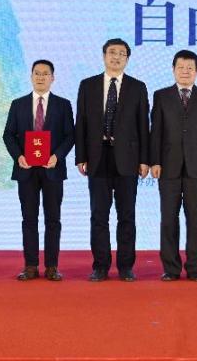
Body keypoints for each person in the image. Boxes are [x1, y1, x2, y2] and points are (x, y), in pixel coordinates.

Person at [75, 38, 149, 282]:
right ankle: (100, 266)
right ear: (104, 55)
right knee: (99, 215)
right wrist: (81, 156)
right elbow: (81, 122)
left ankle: (126, 266)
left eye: (121, 54)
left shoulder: (138, 87)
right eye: (112, 52)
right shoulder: (88, 85)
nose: (116, 57)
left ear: (127, 59)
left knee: (126, 215)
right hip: (97, 157)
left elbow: (143, 126)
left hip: (128, 159)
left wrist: (144, 160)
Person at [3, 59, 75, 281]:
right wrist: (19, 156)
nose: (41, 77)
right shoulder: (18, 104)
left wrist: (57, 156)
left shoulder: (63, 105)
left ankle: (52, 266)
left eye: (45, 74)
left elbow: (70, 136)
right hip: (26, 170)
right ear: (31, 76)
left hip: (52, 169)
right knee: (29, 219)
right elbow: (8, 135)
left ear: (52, 78)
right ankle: (31, 265)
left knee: (53, 219)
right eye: (37, 73)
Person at [150, 50, 197, 282]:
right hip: (168, 166)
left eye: (190, 68)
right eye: (181, 67)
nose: (185, 71)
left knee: (195, 219)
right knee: (168, 219)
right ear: (173, 70)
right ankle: (171, 268)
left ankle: (195, 268)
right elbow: (156, 131)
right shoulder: (161, 96)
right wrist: (155, 160)